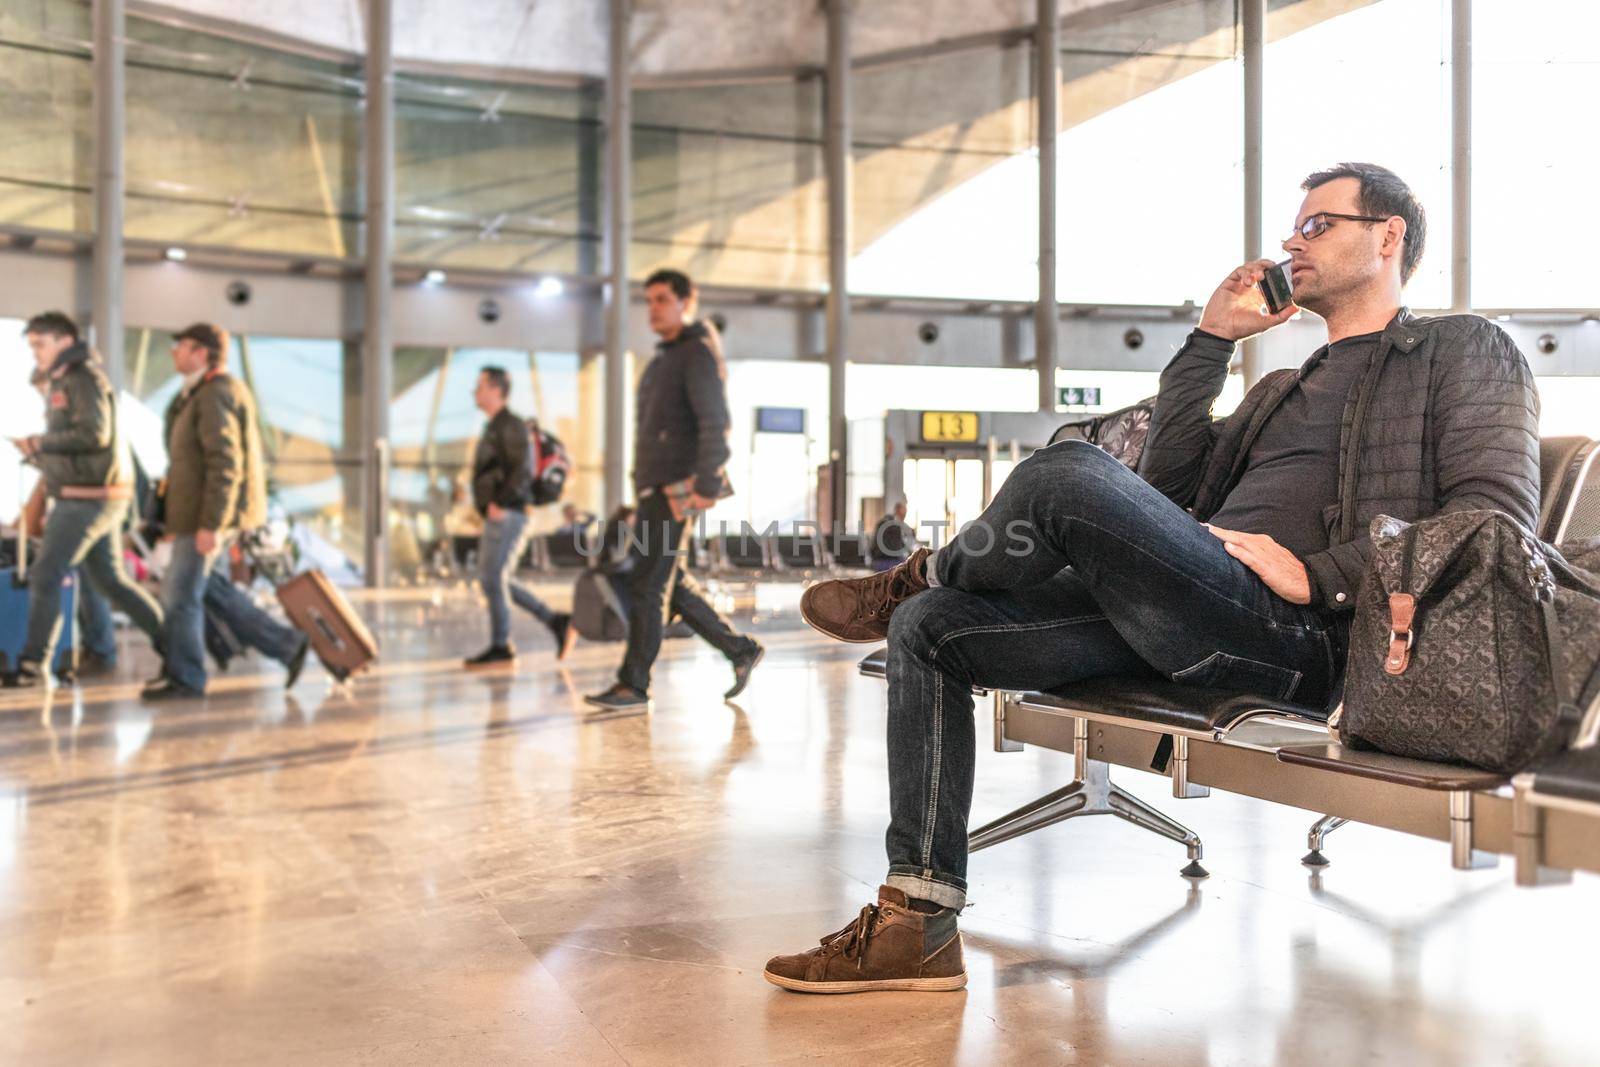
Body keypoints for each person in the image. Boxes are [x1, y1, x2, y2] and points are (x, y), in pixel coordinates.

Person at [770, 163, 1540, 994]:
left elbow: (1492, 518)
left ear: (1387, 237)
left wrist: (1318, 577)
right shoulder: (1283, 387)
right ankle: (916, 922)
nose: (1291, 240)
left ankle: (916, 574)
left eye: (1317, 224)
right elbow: (1169, 492)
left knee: (1067, 470)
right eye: (1295, 226)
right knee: (933, 629)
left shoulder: (1464, 349)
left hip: (1302, 638)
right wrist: (1211, 342)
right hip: (1194, 605)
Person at [583, 268, 764, 713]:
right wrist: (642, 492)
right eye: (649, 300)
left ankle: (633, 684)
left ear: (687, 301)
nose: (654, 308)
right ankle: (740, 650)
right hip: (655, 492)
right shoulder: (669, 356)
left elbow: (715, 421)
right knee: (670, 582)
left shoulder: (695, 353)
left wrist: (704, 484)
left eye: (662, 299)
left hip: (676, 492)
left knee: (648, 584)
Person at [143, 323, 310, 700]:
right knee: (205, 591)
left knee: (180, 595)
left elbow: (225, 464)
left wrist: (212, 524)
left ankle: (185, 677)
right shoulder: (197, 393)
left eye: (181, 346)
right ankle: (285, 645)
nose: (174, 353)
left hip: (208, 516)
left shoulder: (216, 394)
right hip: (193, 515)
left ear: (201, 352)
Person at [5, 313, 166, 689]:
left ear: (63, 341)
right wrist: (39, 453)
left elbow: (94, 434)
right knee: (110, 581)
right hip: (94, 495)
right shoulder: (75, 378)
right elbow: (84, 444)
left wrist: (40, 443)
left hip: (87, 500)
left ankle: (33, 666)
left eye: (39, 345)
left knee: (45, 574)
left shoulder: (80, 378)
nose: (35, 354)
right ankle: (177, 651)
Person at [463, 366, 574, 667]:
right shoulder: (497, 425)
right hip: (504, 512)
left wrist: (499, 503)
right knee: (494, 580)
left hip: (509, 512)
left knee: (493, 578)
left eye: (481, 385)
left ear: (497, 390)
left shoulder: (509, 425)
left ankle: (502, 645)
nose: (476, 391)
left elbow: (522, 470)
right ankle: (555, 621)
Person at [869, 500, 916, 572]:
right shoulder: (896, 526)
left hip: (876, 561)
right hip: (889, 562)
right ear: (899, 513)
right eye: (904, 514)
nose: (904, 517)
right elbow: (903, 547)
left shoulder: (883, 522)